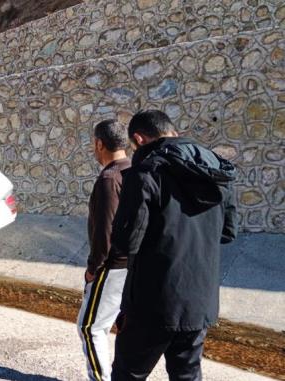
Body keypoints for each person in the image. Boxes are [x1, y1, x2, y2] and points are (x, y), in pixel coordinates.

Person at [110, 110, 238, 380]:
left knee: (128, 374)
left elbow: (126, 242)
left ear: (138, 139)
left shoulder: (145, 172)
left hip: (152, 301)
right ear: (173, 132)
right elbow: (227, 233)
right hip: (200, 300)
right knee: (187, 375)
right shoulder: (218, 170)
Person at [77, 119, 131, 381]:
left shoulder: (109, 179)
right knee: (121, 325)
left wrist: (92, 270)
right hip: (134, 265)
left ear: (99, 144)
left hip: (112, 266)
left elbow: (104, 233)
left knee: (90, 327)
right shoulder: (137, 170)